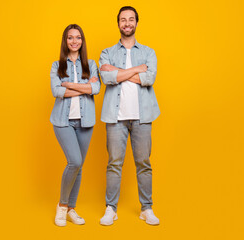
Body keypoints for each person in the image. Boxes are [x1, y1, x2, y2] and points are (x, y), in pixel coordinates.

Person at [99, 6, 160, 226]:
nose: (127, 23)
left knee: (143, 163)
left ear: (136, 23)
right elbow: (106, 78)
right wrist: (137, 70)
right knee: (114, 163)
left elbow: (149, 79)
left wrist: (117, 72)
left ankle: (147, 208)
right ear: (118, 24)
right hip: (116, 118)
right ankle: (110, 208)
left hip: (142, 117)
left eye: (131, 19)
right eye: (123, 20)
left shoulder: (148, 52)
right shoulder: (106, 53)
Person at [50, 24, 100, 227]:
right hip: (63, 121)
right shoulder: (56, 66)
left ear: (82, 41)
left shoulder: (91, 64)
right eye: (70, 38)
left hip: (85, 121)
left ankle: (72, 209)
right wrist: (85, 88)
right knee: (75, 161)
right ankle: (62, 206)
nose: (74, 41)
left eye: (78, 38)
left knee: (79, 167)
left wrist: (68, 84)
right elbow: (56, 92)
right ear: (65, 41)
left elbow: (95, 88)